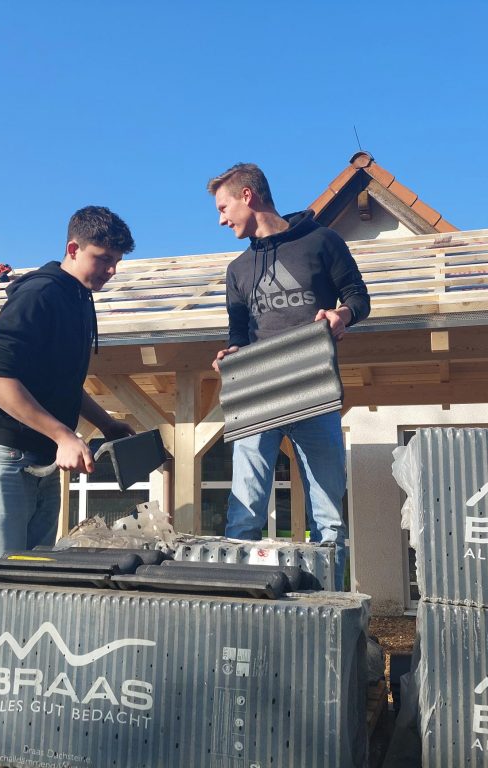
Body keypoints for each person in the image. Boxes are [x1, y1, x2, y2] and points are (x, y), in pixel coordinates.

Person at [207, 163, 370, 589]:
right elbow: (238, 335)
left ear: (247, 196)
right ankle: (237, 604)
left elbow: (358, 296)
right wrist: (231, 354)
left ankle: (328, 605)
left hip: (315, 391)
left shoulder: (322, 241)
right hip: (257, 395)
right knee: (244, 513)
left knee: (329, 518)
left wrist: (342, 315)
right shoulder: (238, 270)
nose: (221, 220)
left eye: (223, 208)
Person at [0, 206, 135, 564]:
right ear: (73, 249)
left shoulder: (80, 298)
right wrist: (64, 436)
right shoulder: (38, 294)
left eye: (116, 261)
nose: (112, 270)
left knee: (32, 571)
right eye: (103, 259)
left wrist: (107, 424)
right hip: (2, 453)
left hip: (42, 457)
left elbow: (63, 383)